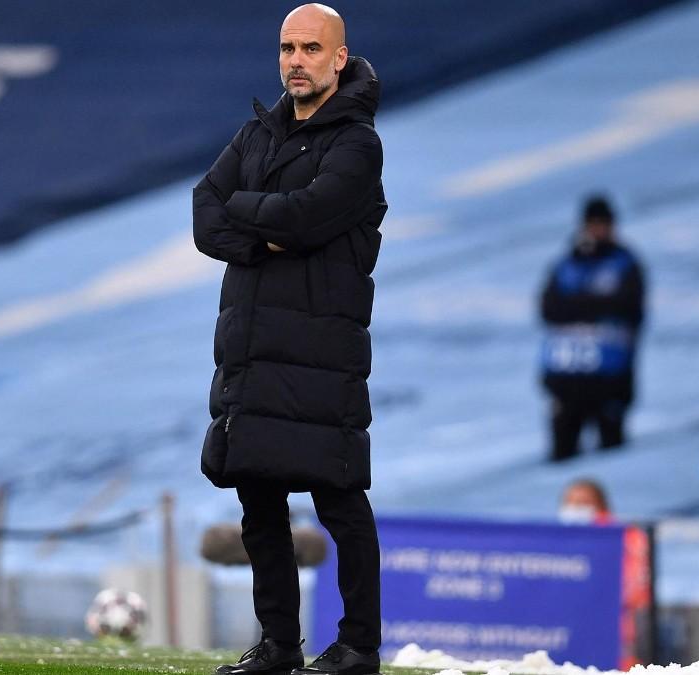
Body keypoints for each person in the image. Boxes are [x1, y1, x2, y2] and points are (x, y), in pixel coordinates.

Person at [192, 5, 386, 675]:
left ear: (339, 58)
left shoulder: (358, 144)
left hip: (320, 354)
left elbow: (304, 218)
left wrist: (246, 212)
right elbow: (202, 213)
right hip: (250, 349)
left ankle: (360, 645)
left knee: (338, 500)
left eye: (310, 48)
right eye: (286, 48)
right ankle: (279, 644)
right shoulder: (257, 134)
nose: (295, 60)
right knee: (257, 499)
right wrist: (264, 227)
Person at [540, 197, 645, 462]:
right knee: (561, 453)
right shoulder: (566, 264)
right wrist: (598, 305)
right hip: (566, 375)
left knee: (613, 454)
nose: (598, 230)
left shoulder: (625, 263)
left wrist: (576, 303)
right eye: (593, 224)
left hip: (610, 376)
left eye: (604, 223)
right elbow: (548, 309)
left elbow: (629, 308)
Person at [557, 478, 653, 670]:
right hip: (572, 632)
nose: (575, 509)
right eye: (570, 502)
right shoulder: (556, 540)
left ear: (601, 506)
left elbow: (637, 586)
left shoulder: (625, 538)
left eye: (583, 503)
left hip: (619, 633)